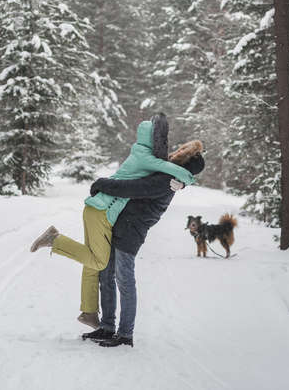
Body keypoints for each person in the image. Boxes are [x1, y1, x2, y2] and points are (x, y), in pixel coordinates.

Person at [30, 114, 195, 328]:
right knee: (99, 262)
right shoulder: (147, 158)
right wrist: (187, 181)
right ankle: (55, 240)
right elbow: (176, 170)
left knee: (92, 262)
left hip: (94, 209)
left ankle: (89, 313)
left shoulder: (141, 153)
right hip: (102, 212)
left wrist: (182, 182)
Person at [81, 140, 205, 347]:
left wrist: (102, 184)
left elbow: (134, 188)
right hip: (119, 226)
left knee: (124, 280)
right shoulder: (166, 172)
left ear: (184, 162)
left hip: (131, 232)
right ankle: (107, 327)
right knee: (106, 275)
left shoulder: (168, 180)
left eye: (183, 151)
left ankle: (125, 334)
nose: (178, 150)